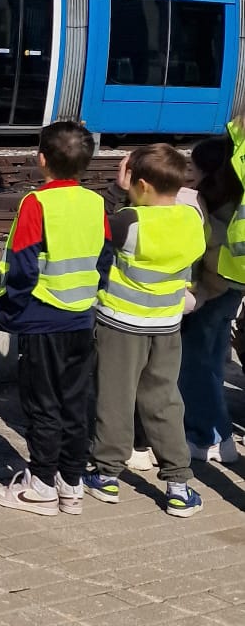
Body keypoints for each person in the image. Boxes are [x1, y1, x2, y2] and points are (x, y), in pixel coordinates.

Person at [0, 120, 110, 518]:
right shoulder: (95, 203)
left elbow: (22, 265)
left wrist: (10, 310)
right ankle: (71, 482)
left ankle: (40, 484)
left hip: (42, 317)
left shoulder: (36, 203)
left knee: (43, 404)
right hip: (81, 317)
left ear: (42, 160)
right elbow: (105, 256)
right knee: (75, 401)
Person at [85, 142, 207, 517]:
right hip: (167, 325)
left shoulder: (129, 221)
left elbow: (95, 230)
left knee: (115, 399)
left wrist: (116, 190)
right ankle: (178, 484)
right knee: (164, 401)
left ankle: (106, 474)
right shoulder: (191, 219)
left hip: (121, 325)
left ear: (140, 184)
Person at [179, 136, 244, 466]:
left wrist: (197, 295)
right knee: (214, 361)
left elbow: (202, 255)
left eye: (193, 167)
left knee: (198, 365)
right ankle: (218, 435)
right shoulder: (234, 200)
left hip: (212, 292)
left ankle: (210, 436)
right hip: (232, 288)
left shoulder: (209, 207)